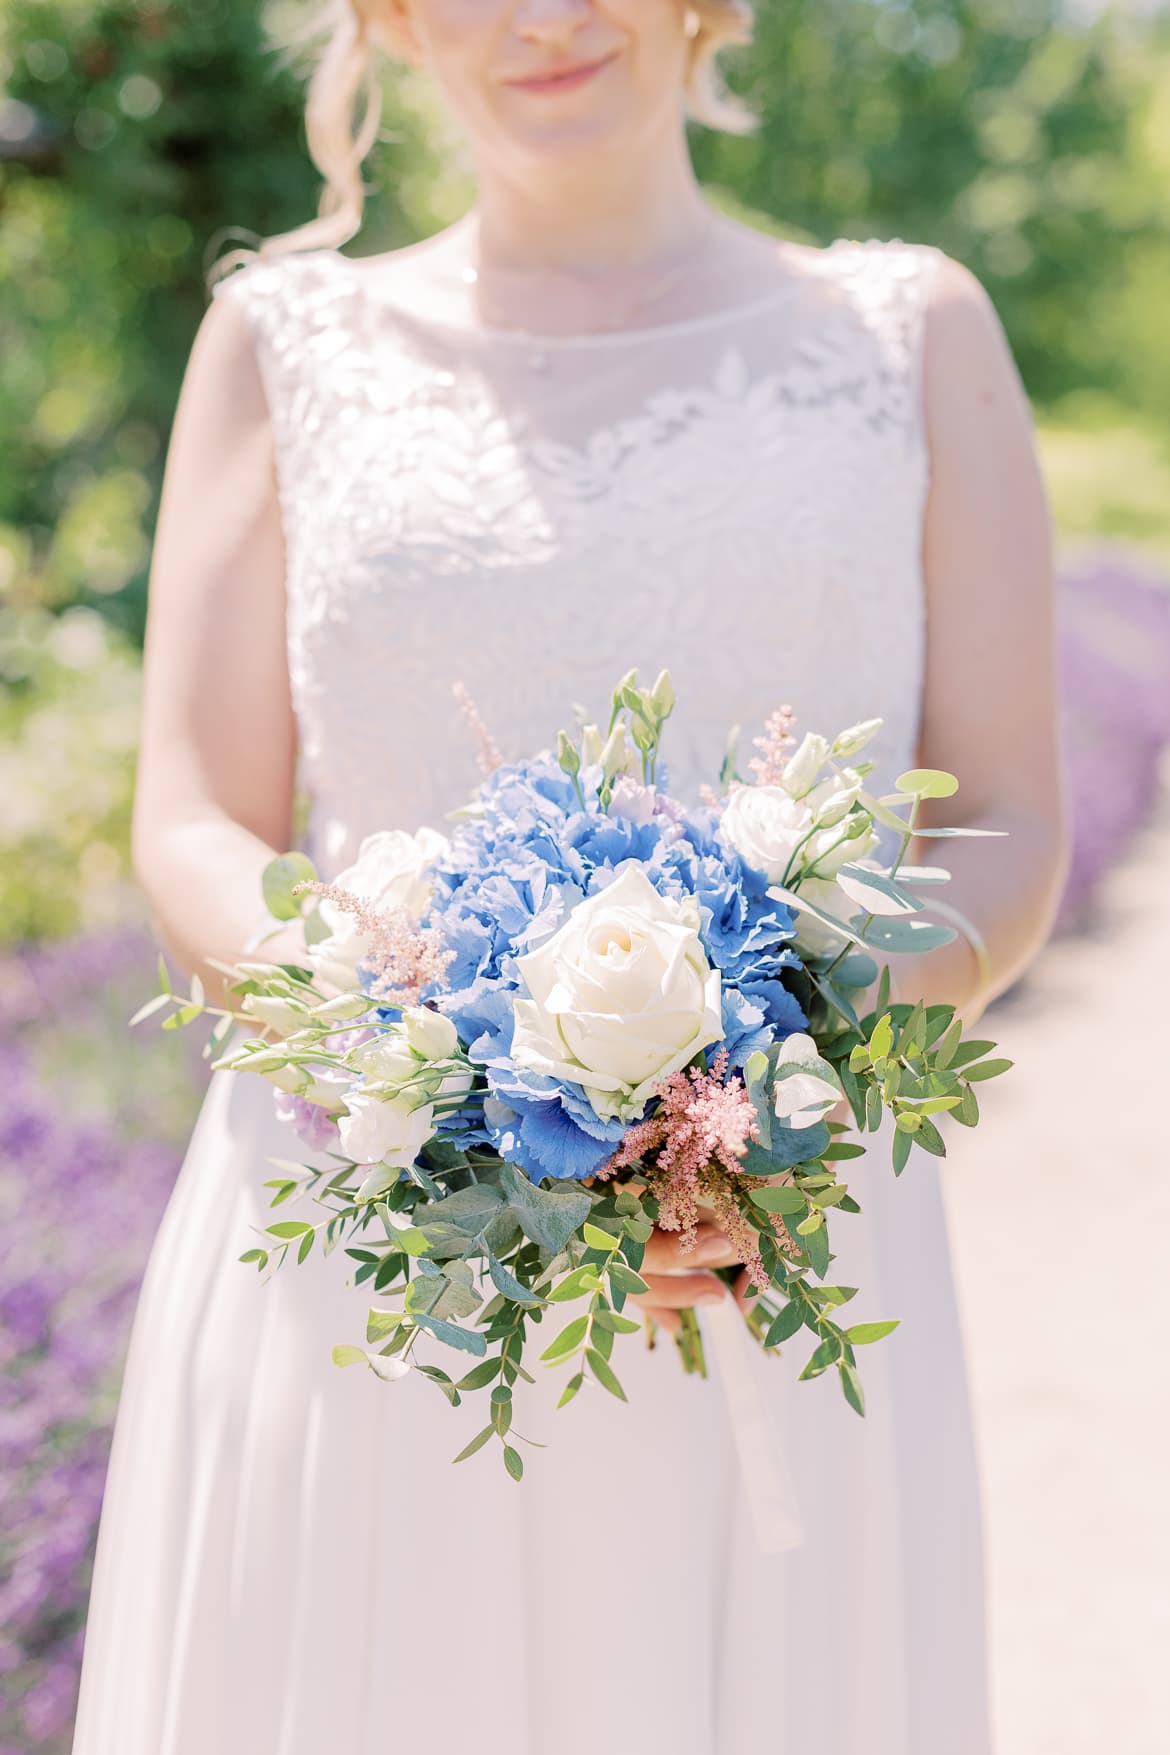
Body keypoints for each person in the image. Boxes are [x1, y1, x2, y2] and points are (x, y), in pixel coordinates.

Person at [71, 3, 1069, 1751]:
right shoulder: (280, 342)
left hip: (777, 1233)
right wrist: (427, 1074)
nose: (536, 17)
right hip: (373, 1256)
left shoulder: (910, 339)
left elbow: (1001, 828)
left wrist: (741, 1100)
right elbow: (194, 824)